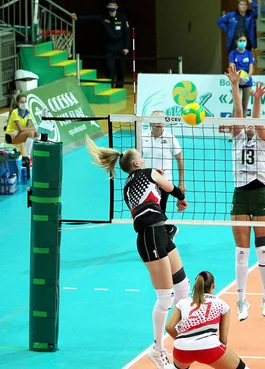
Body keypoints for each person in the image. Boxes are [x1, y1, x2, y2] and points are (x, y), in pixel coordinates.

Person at [85, 136, 190, 369]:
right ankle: (157, 348)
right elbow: (172, 189)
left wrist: (160, 187)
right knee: (165, 298)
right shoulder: (149, 172)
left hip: (159, 232)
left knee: (183, 285)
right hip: (150, 237)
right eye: (141, 157)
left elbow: (155, 204)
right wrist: (181, 198)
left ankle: (183, 331)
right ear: (135, 163)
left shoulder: (128, 186)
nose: (144, 159)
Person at [225, 65, 265, 320]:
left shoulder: (264, 142)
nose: (250, 126)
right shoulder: (237, 138)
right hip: (240, 197)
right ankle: (241, 300)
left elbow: (255, 120)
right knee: (241, 252)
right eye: (247, 124)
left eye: (253, 124)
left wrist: (256, 101)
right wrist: (235, 86)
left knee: (263, 250)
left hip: (260, 195)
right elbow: (238, 116)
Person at [165, 271, 251, 369]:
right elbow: (223, 340)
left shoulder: (183, 302)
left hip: (182, 348)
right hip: (209, 346)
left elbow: (169, 327)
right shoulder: (221, 304)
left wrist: (184, 340)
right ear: (213, 286)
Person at [141, 110, 186, 241]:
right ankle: (169, 229)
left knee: (159, 211)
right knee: (149, 211)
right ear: (150, 122)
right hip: (147, 182)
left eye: (163, 119)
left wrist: (181, 182)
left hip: (164, 182)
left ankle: (165, 234)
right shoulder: (143, 137)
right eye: (157, 119)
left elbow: (180, 159)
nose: (161, 122)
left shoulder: (171, 138)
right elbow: (139, 158)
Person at [71, 1, 131, 88]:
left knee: (121, 69)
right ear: (107, 6)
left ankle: (119, 87)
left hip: (120, 47)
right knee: (109, 68)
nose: (112, 7)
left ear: (117, 7)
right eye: (110, 5)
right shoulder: (104, 17)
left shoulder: (122, 17)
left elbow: (127, 34)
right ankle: (109, 87)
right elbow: (91, 18)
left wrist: (126, 47)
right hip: (109, 47)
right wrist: (78, 18)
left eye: (113, 5)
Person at [4, 93, 40, 168]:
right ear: (17, 103)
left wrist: (31, 129)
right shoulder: (15, 112)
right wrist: (32, 128)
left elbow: (27, 126)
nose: (24, 104)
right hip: (11, 136)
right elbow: (21, 128)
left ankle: (35, 155)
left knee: (37, 133)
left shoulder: (28, 111)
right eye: (22, 102)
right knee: (31, 132)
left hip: (20, 133)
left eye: (25, 102)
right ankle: (26, 158)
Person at [229, 33, 255, 119]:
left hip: (247, 82)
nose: (242, 42)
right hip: (236, 81)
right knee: (236, 106)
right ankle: (233, 129)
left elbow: (251, 69)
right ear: (236, 42)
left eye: (244, 41)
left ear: (246, 42)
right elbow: (232, 67)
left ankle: (243, 128)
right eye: (240, 40)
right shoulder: (232, 54)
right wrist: (237, 77)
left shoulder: (249, 54)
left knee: (244, 105)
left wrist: (247, 77)